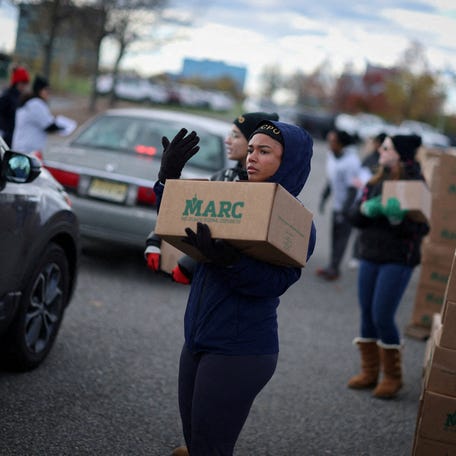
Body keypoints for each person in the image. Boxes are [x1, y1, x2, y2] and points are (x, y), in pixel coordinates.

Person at [149, 120, 316, 456]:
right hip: (197, 340)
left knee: (212, 448)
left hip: (240, 351)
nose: (251, 157)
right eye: (250, 149)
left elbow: (276, 283)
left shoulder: (297, 223)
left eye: (264, 151)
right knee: (195, 441)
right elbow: (174, 219)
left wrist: (230, 261)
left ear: (290, 161)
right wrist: (167, 178)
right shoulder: (232, 195)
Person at [144, 111, 279, 285]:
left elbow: (228, 243)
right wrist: (155, 238)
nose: (227, 140)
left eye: (236, 136)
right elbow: (189, 216)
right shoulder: (224, 176)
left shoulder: (264, 192)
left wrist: (188, 265)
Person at [346, 134, 430, 399]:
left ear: (401, 154)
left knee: (382, 315)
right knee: (367, 314)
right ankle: (370, 372)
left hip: (398, 259)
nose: (380, 149)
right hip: (369, 253)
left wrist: (398, 219)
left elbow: (422, 228)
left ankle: (393, 377)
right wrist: (365, 210)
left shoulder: (415, 183)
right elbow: (354, 218)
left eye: (387, 147)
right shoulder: (375, 178)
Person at [317, 129, 361, 280]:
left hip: (349, 206)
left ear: (341, 144)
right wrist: (324, 198)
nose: (329, 144)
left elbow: (353, 189)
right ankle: (332, 265)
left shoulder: (352, 162)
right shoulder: (331, 156)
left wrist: (344, 211)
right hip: (337, 205)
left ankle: (334, 269)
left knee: (342, 237)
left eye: (333, 141)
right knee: (334, 235)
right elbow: (331, 179)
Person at [349, 132, 387, 268]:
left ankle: (361, 255)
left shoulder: (383, 161)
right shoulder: (370, 157)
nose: (374, 145)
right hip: (364, 195)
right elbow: (360, 173)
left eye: (376, 142)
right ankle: (355, 255)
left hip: (376, 199)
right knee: (360, 228)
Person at [12, 75, 65, 154]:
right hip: (28, 150)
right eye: (46, 90)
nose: (48, 93)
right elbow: (49, 126)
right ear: (39, 90)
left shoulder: (29, 102)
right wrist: (64, 127)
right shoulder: (36, 104)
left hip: (21, 146)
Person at [0, 66, 30, 147]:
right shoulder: (7, 96)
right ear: (16, 83)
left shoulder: (22, 97)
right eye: (22, 83)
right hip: (6, 134)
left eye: (25, 83)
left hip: (17, 134)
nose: (24, 86)